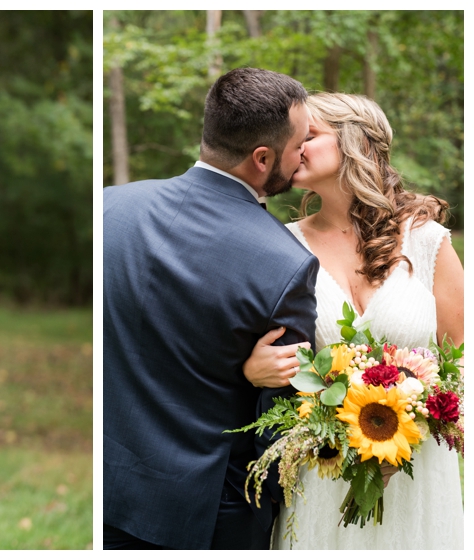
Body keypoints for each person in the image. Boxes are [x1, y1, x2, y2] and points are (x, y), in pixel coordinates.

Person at [102, 67, 318, 549]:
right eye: (299, 143)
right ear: (262, 158)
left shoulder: (109, 208)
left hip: (104, 489)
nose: (304, 152)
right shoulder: (286, 264)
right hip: (205, 515)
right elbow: (277, 424)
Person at [243, 92, 464, 549]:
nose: (294, 146)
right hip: (322, 467)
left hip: (415, 469)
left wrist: (422, 423)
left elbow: (461, 352)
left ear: (354, 141)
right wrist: (251, 370)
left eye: (309, 135)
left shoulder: (423, 238)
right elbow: (253, 344)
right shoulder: (277, 244)